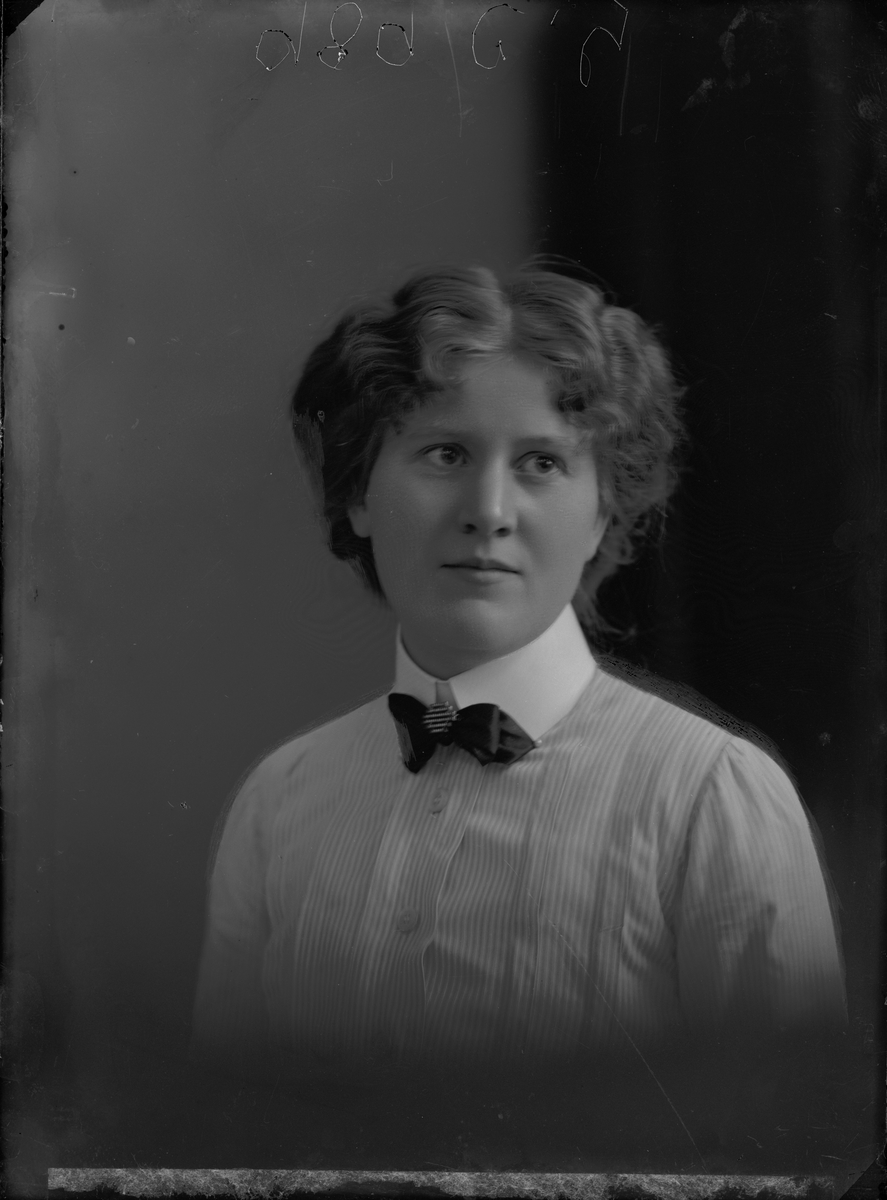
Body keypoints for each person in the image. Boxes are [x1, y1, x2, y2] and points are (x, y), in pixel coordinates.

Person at [191, 265, 846, 1087]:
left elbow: (783, 1136)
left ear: (601, 512)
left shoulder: (711, 798)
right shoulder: (279, 800)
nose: (489, 511)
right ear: (356, 493)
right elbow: (229, 1129)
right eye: (445, 453)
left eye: (540, 462)